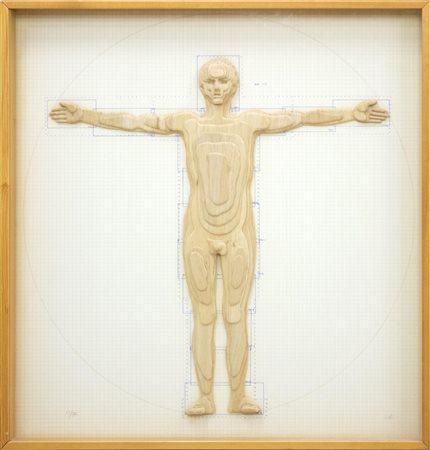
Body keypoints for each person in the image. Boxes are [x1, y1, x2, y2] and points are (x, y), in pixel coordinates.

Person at [49, 58, 389, 416]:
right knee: (204, 316)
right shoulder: (188, 123)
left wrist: (350, 113)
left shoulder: (249, 123)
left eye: (223, 82)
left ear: (233, 86)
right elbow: (137, 122)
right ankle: (205, 397)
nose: (216, 88)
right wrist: (84, 115)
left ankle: (239, 396)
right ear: (201, 86)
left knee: (236, 314)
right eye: (209, 82)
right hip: (198, 229)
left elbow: (300, 118)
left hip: (238, 229)